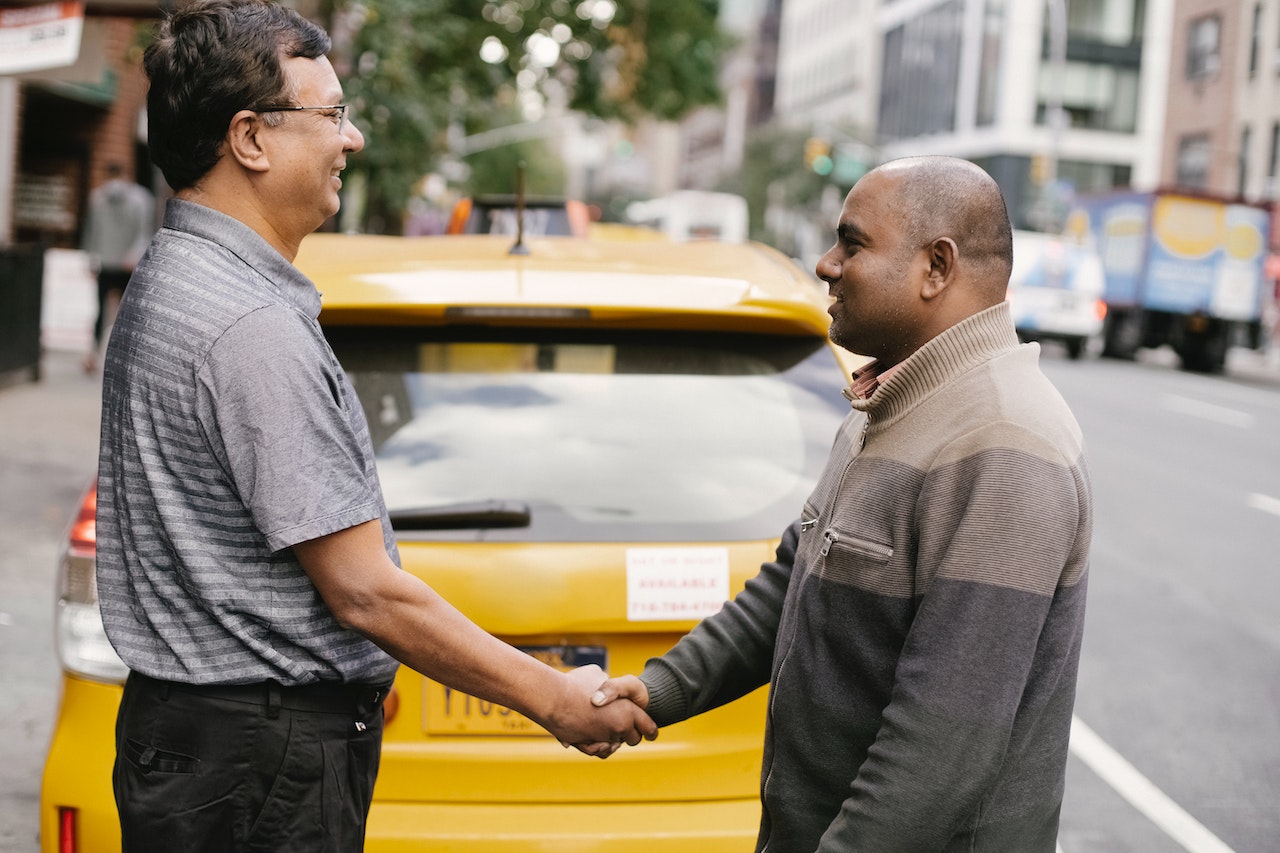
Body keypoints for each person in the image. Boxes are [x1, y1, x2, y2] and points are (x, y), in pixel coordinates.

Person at [95, 2, 654, 851]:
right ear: (249, 138)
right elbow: (364, 589)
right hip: (259, 765)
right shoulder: (248, 324)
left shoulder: (173, 274)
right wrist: (549, 696)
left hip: (201, 747)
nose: (350, 141)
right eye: (332, 115)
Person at [593, 156, 1093, 852]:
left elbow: (939, 751)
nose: (826, 264)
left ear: (936, 267)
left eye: (852, 243)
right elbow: (792, 584)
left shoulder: (1003, 442)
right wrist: (658, 690)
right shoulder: (890, 400)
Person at [80, 162, 154, 372]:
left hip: (106, 261)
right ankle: (124, 356)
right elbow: (144, 231)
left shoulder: (97, 197)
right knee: (127, 312)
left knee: (101, 310)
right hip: (126, 264)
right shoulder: (142, 198)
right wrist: (134, 255)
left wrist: (91, 257)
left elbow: (90, 231)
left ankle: (94, 353)